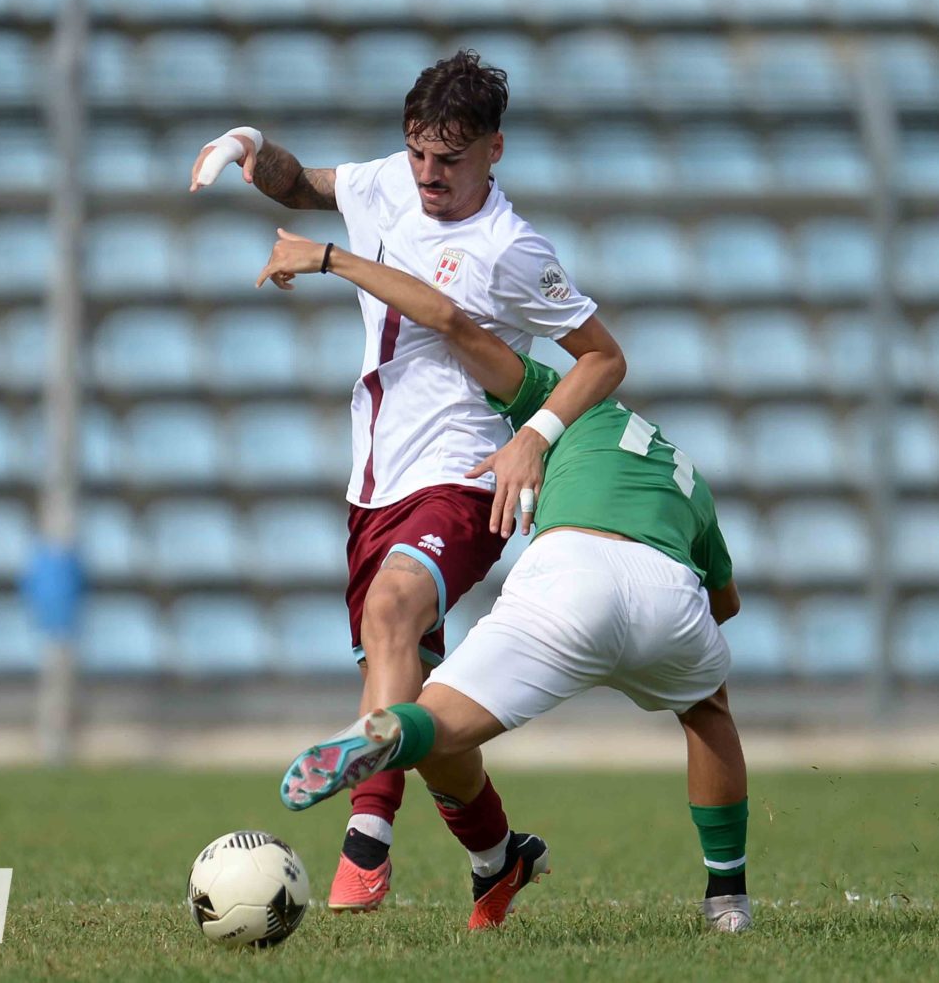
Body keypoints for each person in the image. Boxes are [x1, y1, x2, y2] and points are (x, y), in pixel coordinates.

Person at [190, 51, 627, 913]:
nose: (429, 174)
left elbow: (603, 359)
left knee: (392, 613)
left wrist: (533, 438)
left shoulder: (509, 248)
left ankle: (365, 849)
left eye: (450, 159)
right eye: (419, 152)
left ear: (494, 150)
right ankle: (500, 856)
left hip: (463, 478)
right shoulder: (392, 181)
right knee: (421, 717)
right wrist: (250, 144)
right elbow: (301, 185)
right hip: (374, 485)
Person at [257, 230, 752, 934]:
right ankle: (727, 900)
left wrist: (333, 258)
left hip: (568, 577)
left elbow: (451, 322)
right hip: (668, 589)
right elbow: (724, 602)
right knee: (708, 710)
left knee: (435, 727)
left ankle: (390, 735)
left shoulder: (556, 405)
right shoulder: (688, 477)